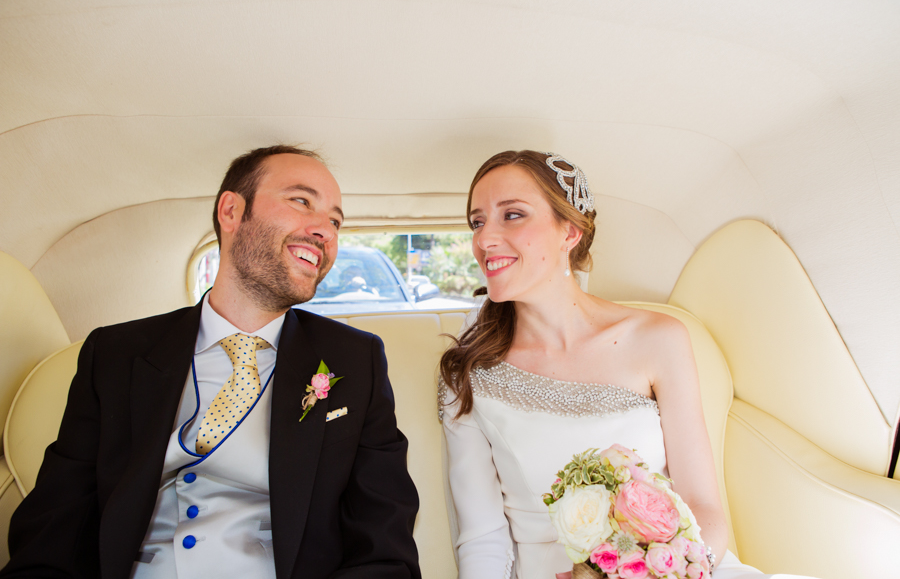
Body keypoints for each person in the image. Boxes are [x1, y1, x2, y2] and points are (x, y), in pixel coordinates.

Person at [2, 145, 421, 579]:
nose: (325, 232)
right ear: (231, 211)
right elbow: (53, 530)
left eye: (335, 221)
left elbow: (384, 544)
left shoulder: (355, 360)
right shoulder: (115, 354)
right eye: (301, 201)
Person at [439, 150, 816, 579]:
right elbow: (481, 537)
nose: (485, 239)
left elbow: (705, 510)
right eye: (477, 221)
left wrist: (668, 572)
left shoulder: (661, 339)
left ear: (570, 232)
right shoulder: (467, 370)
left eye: (512, 215)